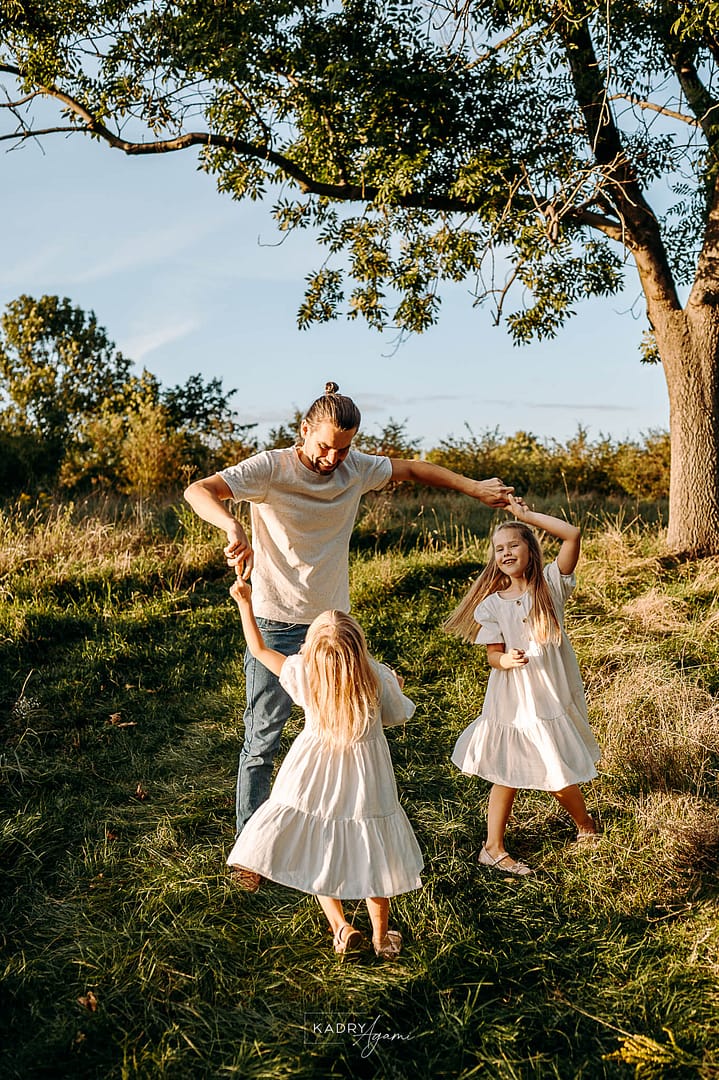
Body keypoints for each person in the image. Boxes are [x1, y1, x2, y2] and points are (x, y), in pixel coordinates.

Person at [184, 381, 513, 873]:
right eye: (324, 447)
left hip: (334, 628)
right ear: (304, 431)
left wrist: (475, 487)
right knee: (264, 736)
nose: (332, 459)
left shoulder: (355, 467)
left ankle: (341, 838)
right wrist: (232, 526)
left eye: (343, 449)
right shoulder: (270, 469)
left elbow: (415, 469)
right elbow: (199, 490)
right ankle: (251, 849)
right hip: (276, 618)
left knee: (346, 736)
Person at [226, 571, 422, 959]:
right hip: (367, 778)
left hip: (312, 772)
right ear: (358, 647)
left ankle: (341, 927)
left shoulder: (305, 673)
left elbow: (262, 651)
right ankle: (382, 938)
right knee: (374, 853)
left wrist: (246, 605)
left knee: (320, 845)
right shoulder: (376, 677)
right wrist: (394, 683)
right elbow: (398, 715)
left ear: (312, 649)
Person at [444, 493, 600, 875]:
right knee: (506, 771)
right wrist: (506, 660)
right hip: (512, 698)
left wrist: (525, 515)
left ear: (530, 549)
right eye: (499, 549)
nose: (505, 552)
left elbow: (572, 535)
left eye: (513, 544)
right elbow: (492, 655)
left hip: (548, 694)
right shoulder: (492, 604)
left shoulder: (550, 585)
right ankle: (493, 847)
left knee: (555, 766)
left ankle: (585, 826)